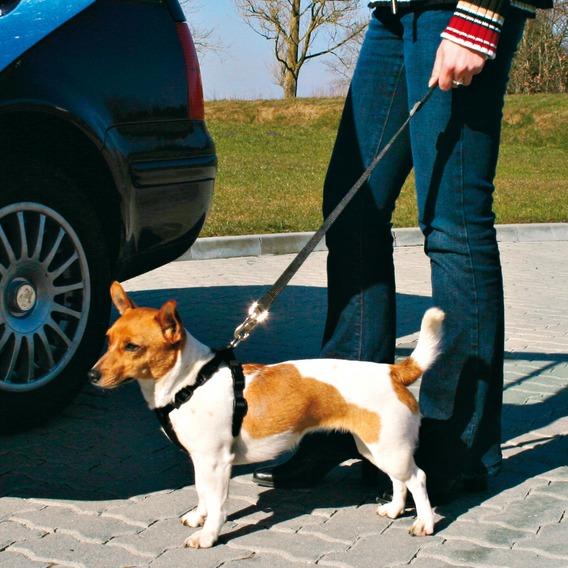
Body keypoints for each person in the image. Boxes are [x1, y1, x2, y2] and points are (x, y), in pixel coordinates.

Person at [253, 0, 553, 500]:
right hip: (394, 9)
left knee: (451, 218)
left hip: (456, 8)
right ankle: (343, 416)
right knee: (353, 209)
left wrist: (480, 14)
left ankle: (456, 442)